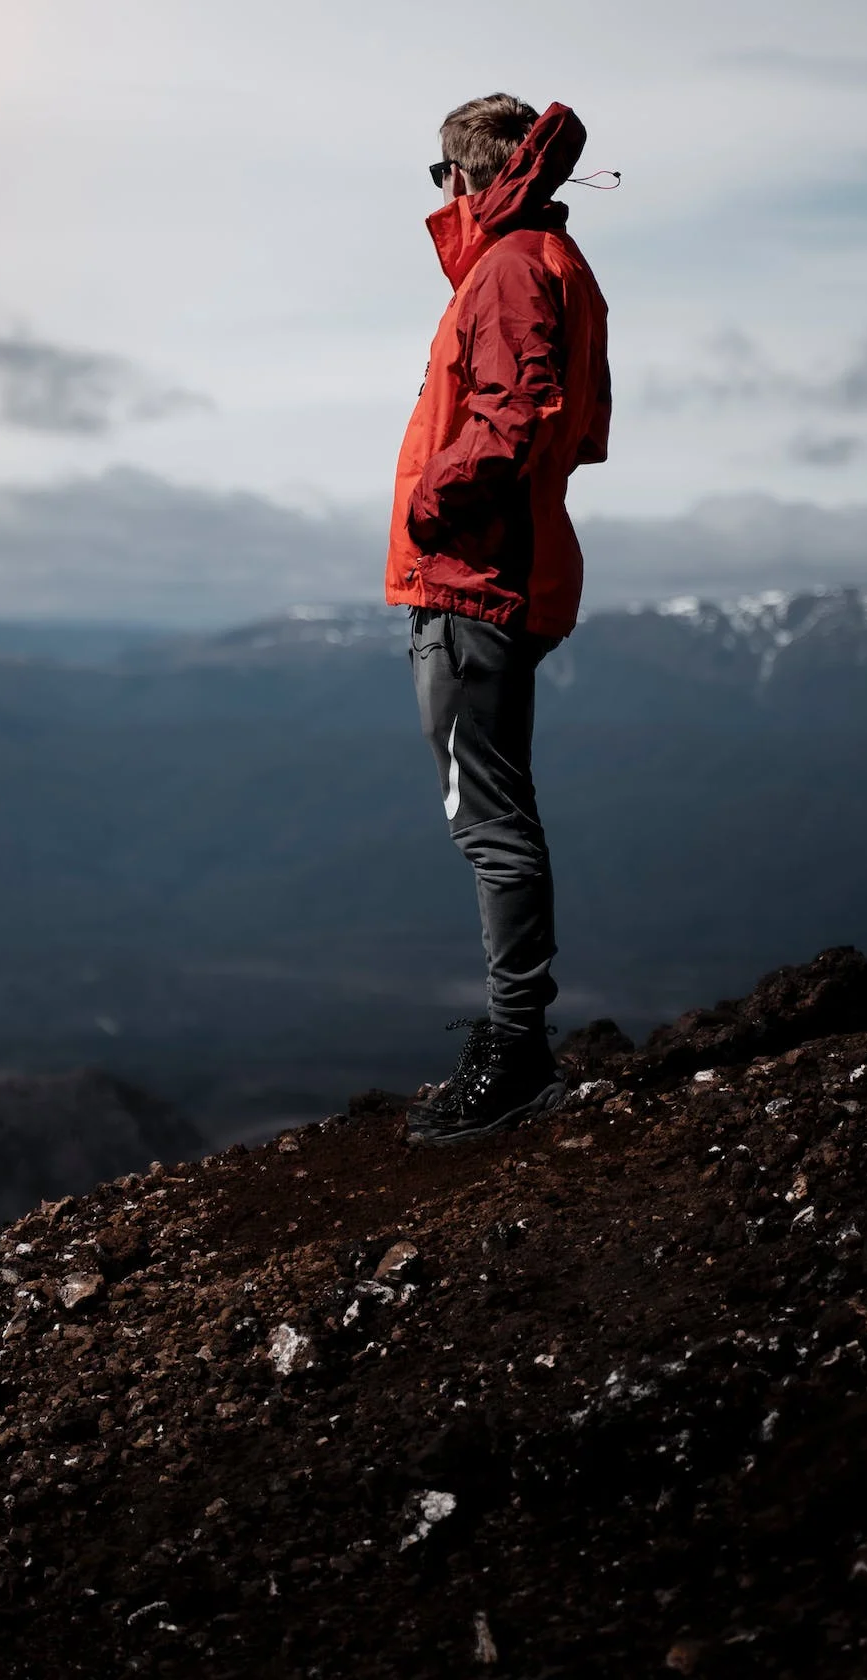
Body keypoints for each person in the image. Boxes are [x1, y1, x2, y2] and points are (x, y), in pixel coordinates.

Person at [386, 96, 611, 1142]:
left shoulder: (512, 269)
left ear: (469, 176)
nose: (438, 194)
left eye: (442, 175)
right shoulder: (545, 262)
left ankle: (515, 1053)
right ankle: (513, 1039)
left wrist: (434, 498)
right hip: (503, 572)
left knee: (488, 819)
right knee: (494, 810)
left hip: (475, 579)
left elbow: (513, 417)